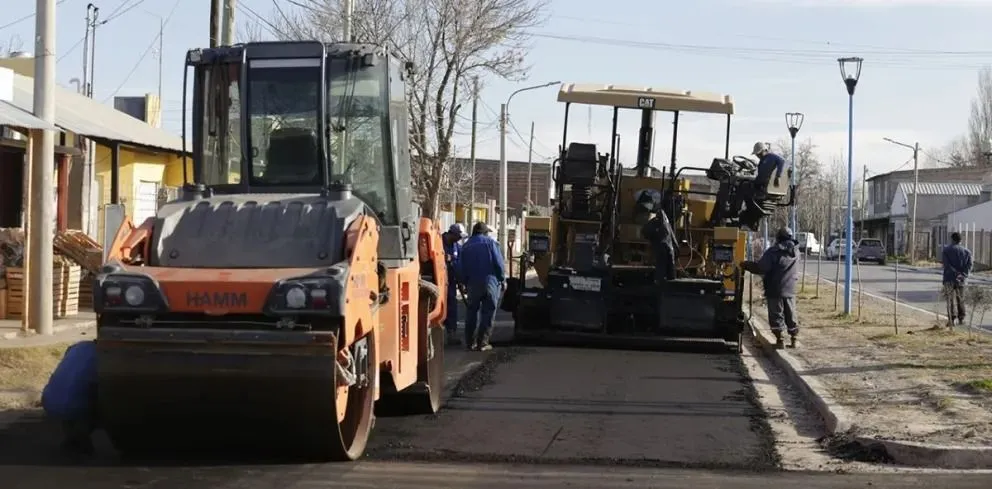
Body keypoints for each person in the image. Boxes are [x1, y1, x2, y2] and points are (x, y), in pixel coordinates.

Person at [743, 227, 800, 349]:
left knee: (776, 315)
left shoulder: (773, 252)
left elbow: (761, 268)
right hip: (790, 289)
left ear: (778, 238)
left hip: (775, 289)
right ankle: (794, 339)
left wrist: (745, 264)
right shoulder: (796, 251)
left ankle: (780, 340)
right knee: (791, 314)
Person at [41, 340, 99, 455]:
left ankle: (72, 436)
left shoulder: (77, 347)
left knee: (71, 395)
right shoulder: (101, 356)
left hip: (49, 400)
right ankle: (81, 437)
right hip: (74, 405)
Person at [458, 221, 506, 351]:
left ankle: (470, 342)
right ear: (485, 232)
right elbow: (499, 264)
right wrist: (502, 279)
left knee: (471, 311)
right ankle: (482, 343)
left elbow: (461, 268)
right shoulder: (491, 243)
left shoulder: (466, 246)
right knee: (488, 312)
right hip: (490, 283)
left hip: (473, 284)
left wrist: (463, 282)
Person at [442, 223, 468, 345]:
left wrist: (461, 281)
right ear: (451, 233)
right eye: (458, 236)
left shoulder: (457, 247)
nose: (459, 239)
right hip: (439, 282)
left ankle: (451, 334)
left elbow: (460, 265)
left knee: (452, 307)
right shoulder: (438, 243)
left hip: (452, 282)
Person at [941, 231, 973, 327]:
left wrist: (955, 273)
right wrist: (962, 274)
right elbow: (970, 265)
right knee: (961, 298)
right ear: (961, 240)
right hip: (961, 279)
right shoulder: (967, 251)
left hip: (949, 278)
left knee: (950, 299)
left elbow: (947, 265)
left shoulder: (946, 250)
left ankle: (951, 319)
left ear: (952, 239)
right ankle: (961, 318)